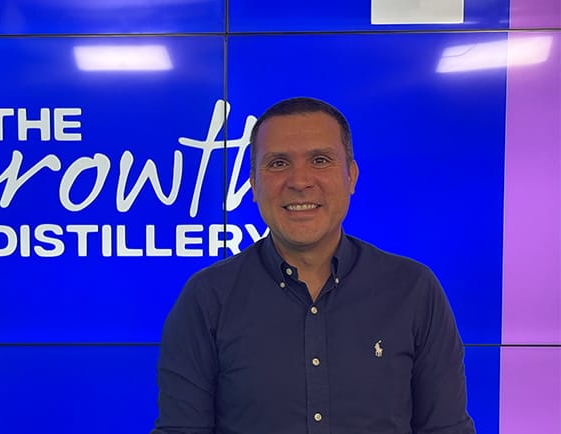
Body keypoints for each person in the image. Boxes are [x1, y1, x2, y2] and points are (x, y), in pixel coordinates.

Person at [153, 97, 475, 434]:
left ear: (351, 176)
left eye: (320, 160)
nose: (299, 181)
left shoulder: (413, 290)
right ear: (253, 185)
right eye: (278, 163)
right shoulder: (207, 298)